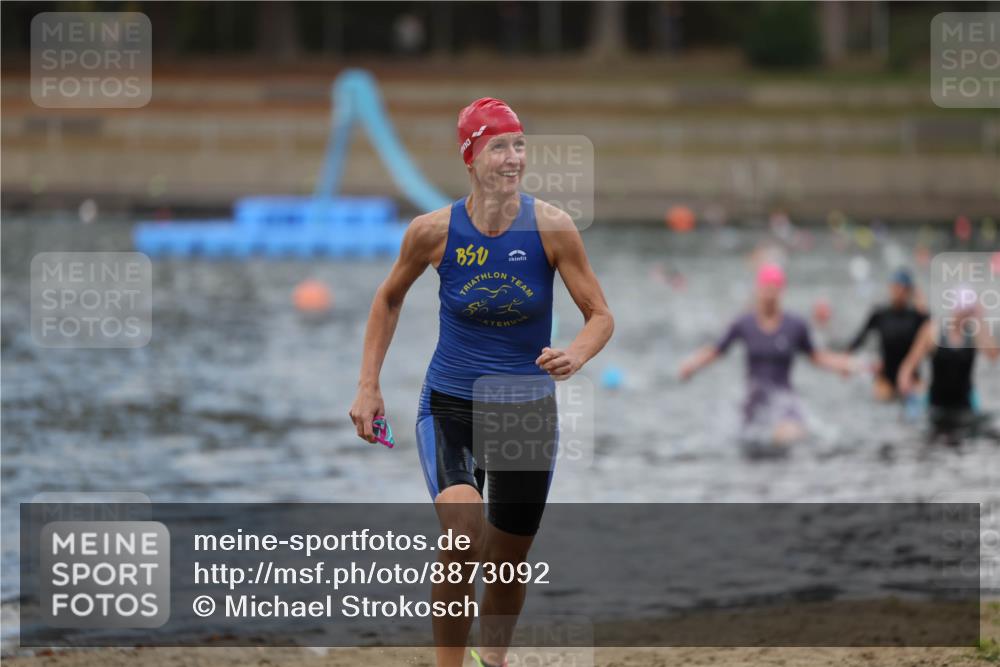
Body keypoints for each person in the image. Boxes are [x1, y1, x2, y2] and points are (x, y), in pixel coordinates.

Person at [349, 97, 613, 667]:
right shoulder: (433, 231)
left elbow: (600, 314)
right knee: (463, 534)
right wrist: (369, 385)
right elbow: (388, 298)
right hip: (450, 404)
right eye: (499, 146)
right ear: (470, 156)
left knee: (509, 557)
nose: (513, 157)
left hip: (524, 411)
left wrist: (576, 355)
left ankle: (491, 659)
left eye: (519, 144)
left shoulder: (551, 228)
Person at [678, 263, 854, 452]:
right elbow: (717, 351)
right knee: (752, 442)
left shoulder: (795, 325)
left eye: (774, 290)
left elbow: (816, 356)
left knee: (790, 436)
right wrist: (692, 365)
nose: (769, 295)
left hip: (784, 400)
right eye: (766, 289)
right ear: (758, 290)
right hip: (754, 402)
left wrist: (841, 365)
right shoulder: (743, 323)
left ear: (781, 291)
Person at [897, 287, 998, 445]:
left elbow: (993, 355)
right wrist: (905, 381)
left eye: (969, 312)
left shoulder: (973, 333)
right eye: (965, 311)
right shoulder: (932, 331)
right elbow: (910, 363)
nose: (966, 316)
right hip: (937, 404)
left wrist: (980, 320)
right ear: (956, 309)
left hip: (964, 404)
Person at [846, 269, 927, 401]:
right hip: (885, 377)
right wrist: (846, 358)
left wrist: (924, 309)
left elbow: (934, 340)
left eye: (901, 288)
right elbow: (860, 338)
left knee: (920, 400)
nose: (897, 291)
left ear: (909, 291)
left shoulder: (917, 316)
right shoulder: (880, 314)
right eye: (894, 287)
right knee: (882, 401)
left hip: (912, 376)